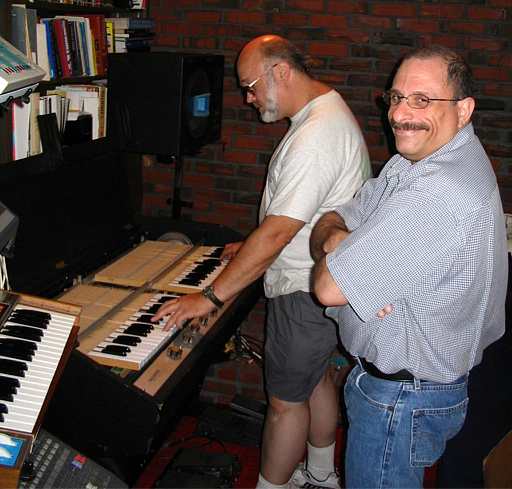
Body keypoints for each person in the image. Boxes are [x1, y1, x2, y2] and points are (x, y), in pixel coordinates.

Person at [152, 34, 371, 488]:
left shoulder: (315, 136)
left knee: (284, 403)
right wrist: (251, 246)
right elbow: (295, 217)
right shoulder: (326, 110)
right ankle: (322, 472)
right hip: (323, 279)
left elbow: (278, 232)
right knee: (316, 380)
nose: (248, 98)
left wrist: (209, 296)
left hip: (302, 289)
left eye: (251, 86)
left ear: (281, 72)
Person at [309, 45, 508, 488]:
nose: (400, 114)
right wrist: (343, 243)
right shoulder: (415, 161)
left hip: (401, 398)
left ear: (464, 109)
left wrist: (340, 253)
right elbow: (336, 215)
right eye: (396, 97)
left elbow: (327, 287)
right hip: (404, 391)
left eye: (422, 99)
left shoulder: (440, 192)